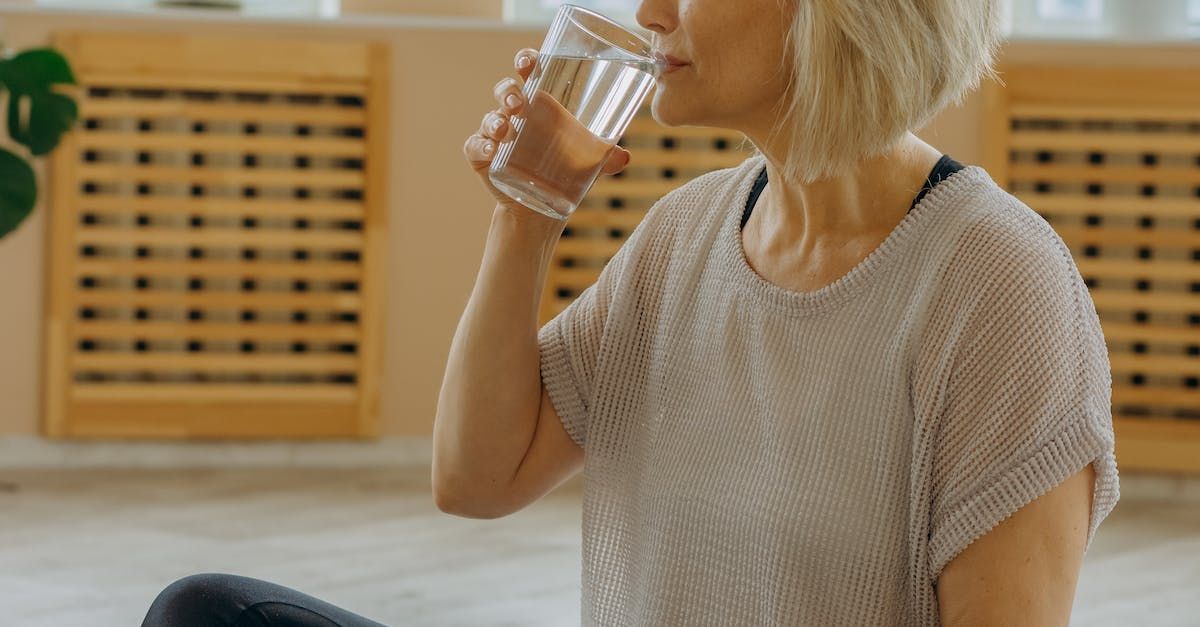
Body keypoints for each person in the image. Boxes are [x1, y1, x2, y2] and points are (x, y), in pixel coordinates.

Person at [146, 0, 1120, 625]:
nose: (650, 11)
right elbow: (476, 477)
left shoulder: (1000, 287)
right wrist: (524, 220)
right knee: (208, 616)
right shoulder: (687, 234)